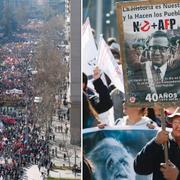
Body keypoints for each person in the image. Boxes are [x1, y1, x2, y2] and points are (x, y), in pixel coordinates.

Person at [127, 31, 180, 102]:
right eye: (153, 48)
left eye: (162, 48)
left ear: (169, 50)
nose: (157, 53)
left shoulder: (176, 71)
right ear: (148, 50)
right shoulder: (138, 70)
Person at [134, 106, 180, 180]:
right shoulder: (162, 143)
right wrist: (155, 142)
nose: (178, 126)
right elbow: (140, 168)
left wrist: (177, 176)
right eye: (175, 122)